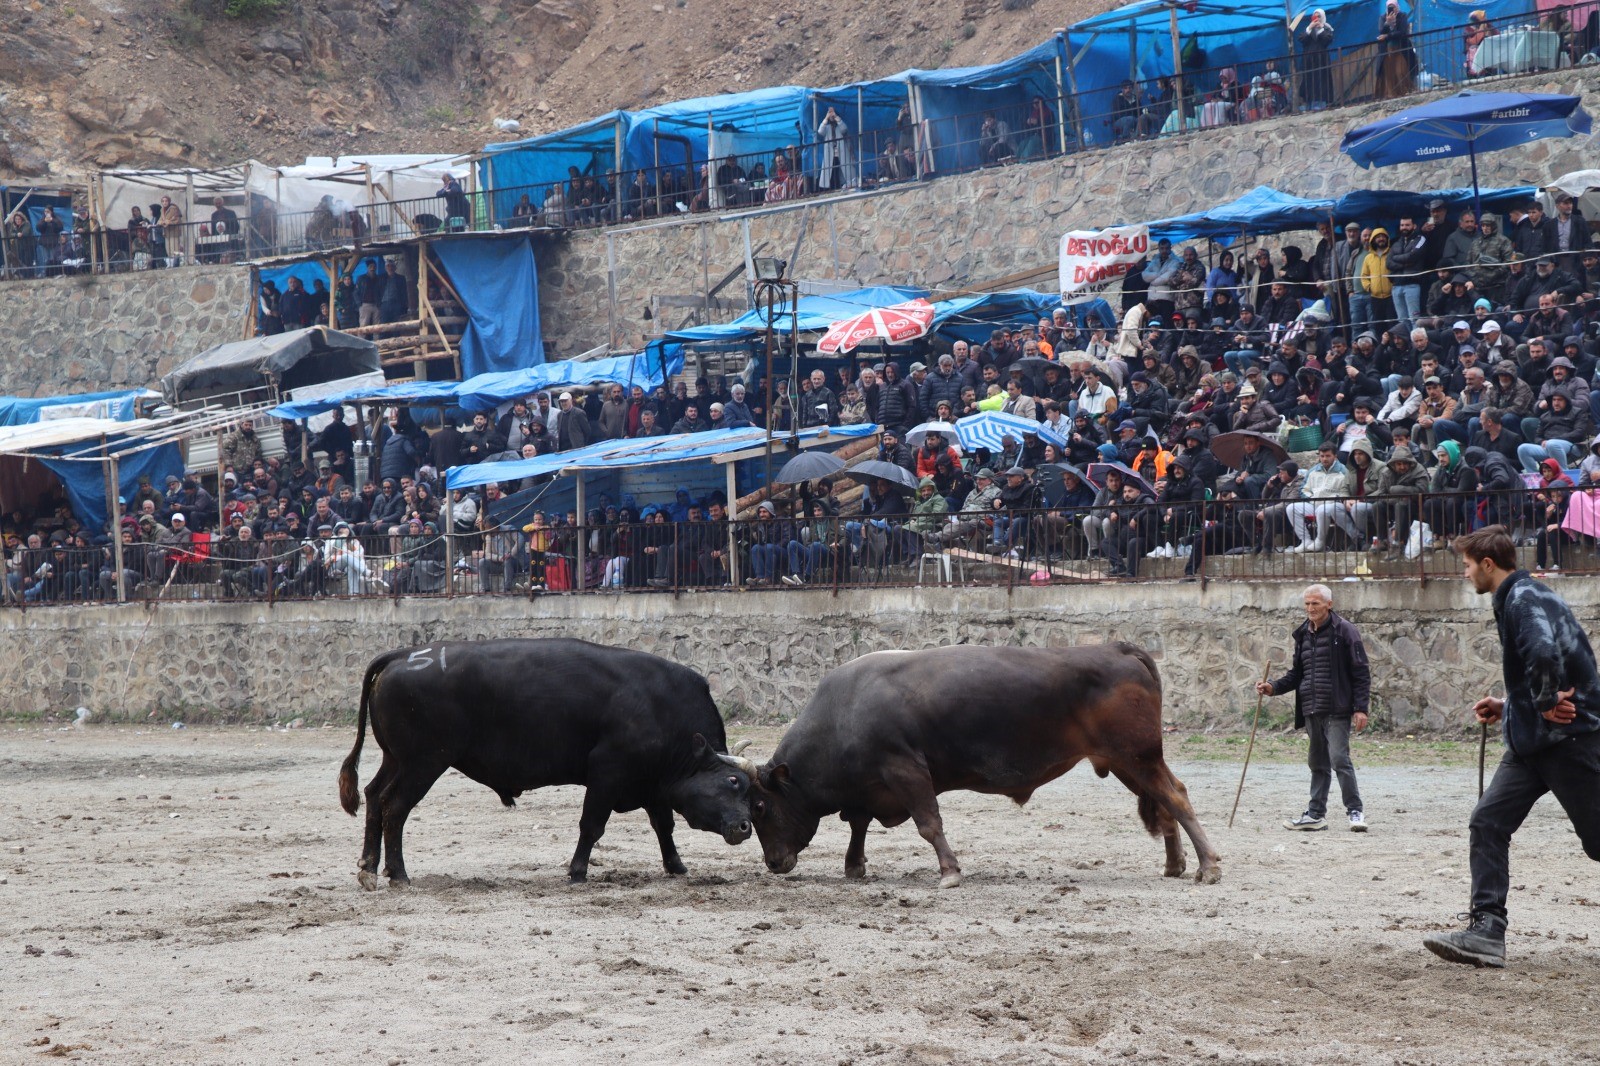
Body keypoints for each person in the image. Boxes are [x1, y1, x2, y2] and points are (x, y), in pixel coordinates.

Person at [1422, 526, 1600, 968]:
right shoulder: (1523, 596)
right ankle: (1486, 931)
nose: (1464, 573)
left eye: (1466, 565)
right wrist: (1511, 705)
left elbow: (1542, 654)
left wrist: (1541, 703)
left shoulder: (1523, 598)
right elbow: (1544, 660)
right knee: (1488, 822)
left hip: (1567, 740)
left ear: (1487, 564)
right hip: (1532, 743)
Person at [1256, 584, 1372, 832]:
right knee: (1317, 763)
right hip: (1311, 707)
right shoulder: (1302, 635)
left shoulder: (1346, 632)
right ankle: (1316, 815)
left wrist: (1361, 708)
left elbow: (1361, 671)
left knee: (1339, 759)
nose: (1310, 608)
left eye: (1316, 603)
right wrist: (1272, 687)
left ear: (1329, 604)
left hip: (1338, 707)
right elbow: (1297, 674)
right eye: (1307, 604)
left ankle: (1355, 811)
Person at [1375, 0, 1418, 101]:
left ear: (1397, 6)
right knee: (1389, 73)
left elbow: (1402, 32)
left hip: (1401, 49)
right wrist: (1387, 23)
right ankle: (1391, 95)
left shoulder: (1402, 16)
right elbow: (1381, 31)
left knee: (1401, 71)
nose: (1392, 9)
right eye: (1389, 7)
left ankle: (1405, 92)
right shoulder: (1382, 18)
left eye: (1393, 6)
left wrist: (1387, 36)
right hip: (1387, 51)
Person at [1300, 10, 1335, 108]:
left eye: (1319, 16)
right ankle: (1309, 105)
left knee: (1321, 85)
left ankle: (1321, 105)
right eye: (1314, 17)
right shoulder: (1308, 30)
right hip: (1309, 64)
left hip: (1321, 62)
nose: (1317, 19)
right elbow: (1302, 39)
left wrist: (1320, 29)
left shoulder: (1327, 29)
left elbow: (1327, 40)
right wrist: (1309, 28)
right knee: (1309, 85)